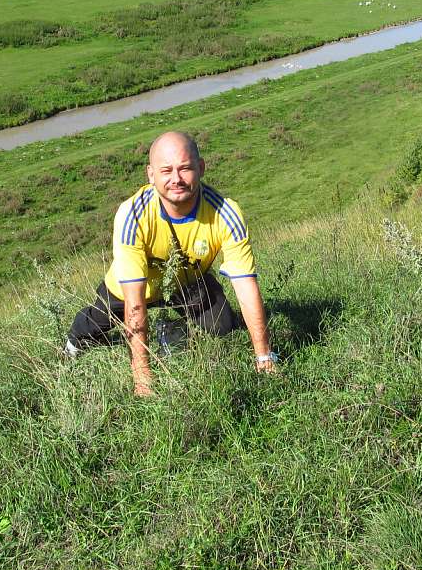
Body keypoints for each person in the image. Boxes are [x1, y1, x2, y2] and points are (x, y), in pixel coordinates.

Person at [65, 131, 276, 396]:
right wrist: (142, 376)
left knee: (221, 327)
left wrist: (264, 357)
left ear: (200, 168)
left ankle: (172, 332)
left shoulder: (225, 212)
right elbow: (135, 302)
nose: (176, 179)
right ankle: (76, 337)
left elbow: (246, 287)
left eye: (185, 168)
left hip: (187, 284)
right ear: (151, 175)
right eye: (166, 171)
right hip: (132, 290)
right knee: (93, 327)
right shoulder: (132, 214)